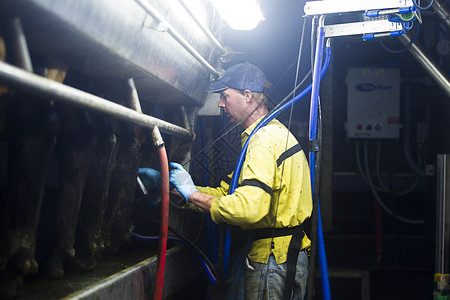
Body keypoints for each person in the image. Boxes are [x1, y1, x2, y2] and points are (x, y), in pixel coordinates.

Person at [141, 62, 312, 299]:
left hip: (272, 260)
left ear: (248, 96)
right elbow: (228, 192)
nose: (220, 104)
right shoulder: (272, 133)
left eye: (225, 96)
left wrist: (193, 194)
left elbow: (248, 209)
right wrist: (172, 187)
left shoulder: (263, 140)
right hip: (282, 256)